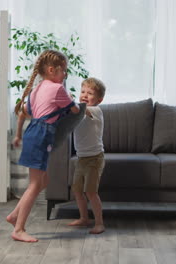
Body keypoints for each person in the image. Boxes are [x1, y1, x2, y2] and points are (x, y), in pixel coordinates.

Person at [7, 50, 80, 242]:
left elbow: (24, 112)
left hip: (34, 133)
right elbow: (74, 109)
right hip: (42, 135)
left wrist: (18, 135)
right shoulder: (57, 89)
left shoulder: (37, 88)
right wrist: (72, 99)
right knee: (35, 184)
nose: (65, 74)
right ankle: (19, 229)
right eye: (63, 70)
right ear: (51, 70)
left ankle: (14, 215)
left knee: (43, 182)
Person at [68, 77, 106, 234]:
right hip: (81, 158)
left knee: (91, 192)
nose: (84, 95)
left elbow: (83, 110)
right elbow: (74, 113)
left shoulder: (95, 111)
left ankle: (99, 223)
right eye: (83, 91)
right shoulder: (79, 112)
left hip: (94, 159)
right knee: (77, 189)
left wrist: (69, 101)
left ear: (99, 99)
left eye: (90, 93)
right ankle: (84, 218)